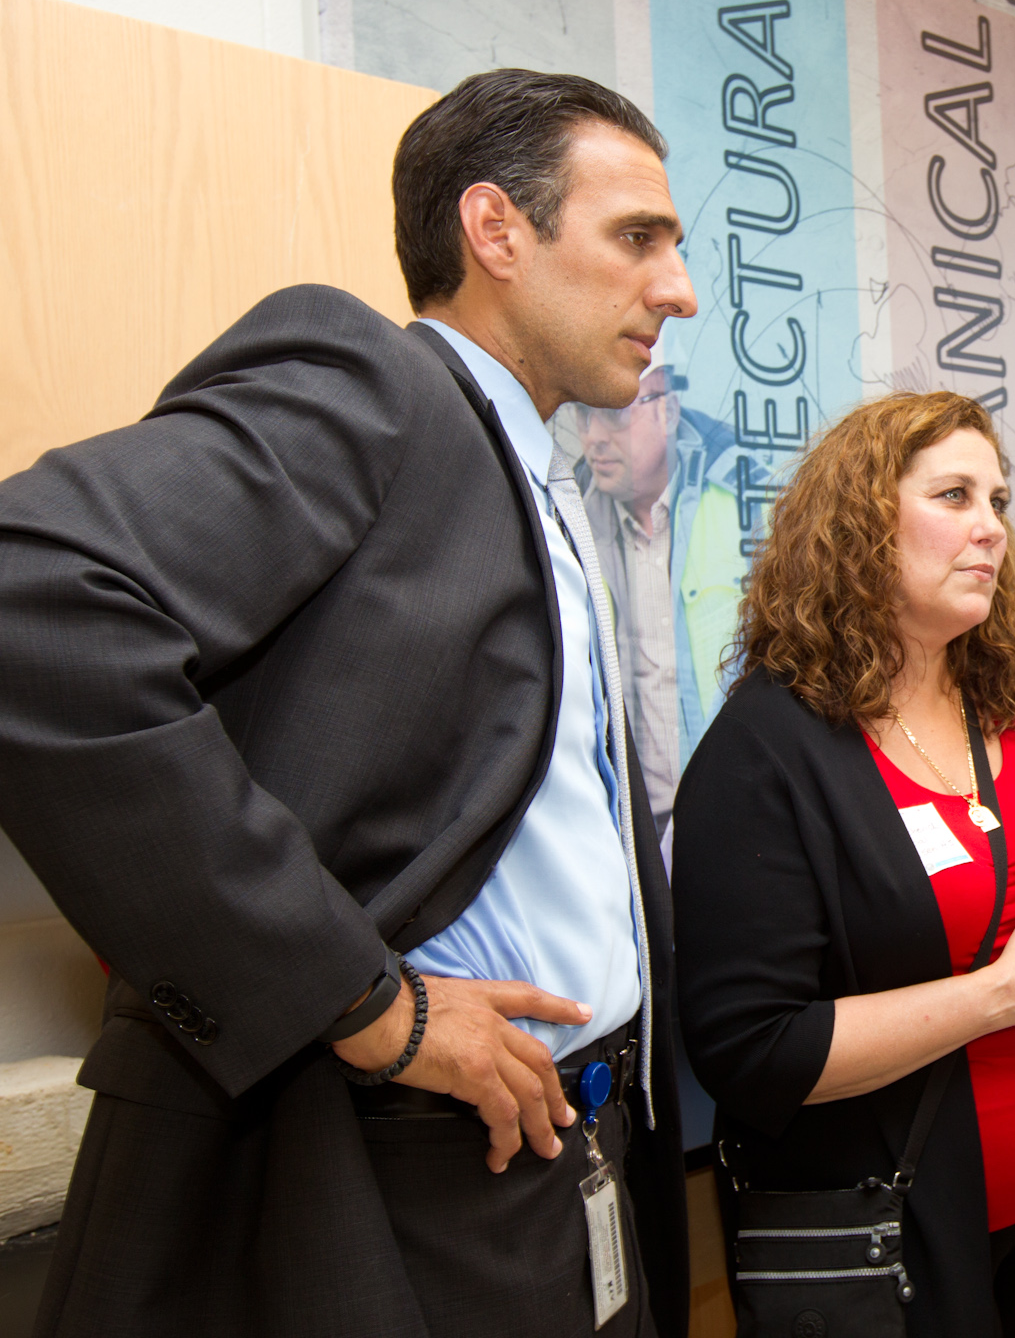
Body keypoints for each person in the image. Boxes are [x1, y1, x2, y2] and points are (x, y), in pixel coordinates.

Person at [0, 68, 696, 1337]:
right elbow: (34, 594)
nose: (677, 289)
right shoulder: (371, 383)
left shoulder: (542, 485)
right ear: (496, 230)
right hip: (376, 1172)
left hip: (550, 1164)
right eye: (637, 237)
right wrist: (361, 1001)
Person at [675, 390, 1015, 1338]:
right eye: (954, 497)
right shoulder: (767, 748)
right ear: (857, 526)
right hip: (896, 1236)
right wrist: (1001, 996)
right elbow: (750, 1049)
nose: (991, 531)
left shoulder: (1014, 711)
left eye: (1000, 503)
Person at [572, 364, 742, 844]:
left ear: (666, 411)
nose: (594, 438)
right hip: (626, 825)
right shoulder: (568, 517)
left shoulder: (744, 491)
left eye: (613, 417)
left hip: (735, 809)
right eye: (583, 418)